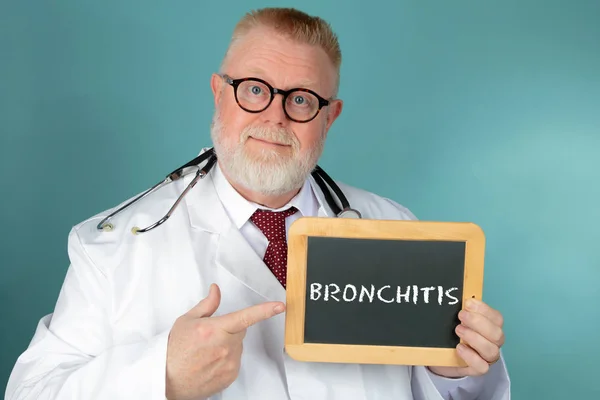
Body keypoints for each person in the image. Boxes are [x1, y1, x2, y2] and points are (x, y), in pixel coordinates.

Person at [5, 7, 510, 400]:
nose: (274, 117)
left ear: (328, 117)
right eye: (253, 90)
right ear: (219, 94)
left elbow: (459, 394)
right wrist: (161, 375)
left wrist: (453, 371)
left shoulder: (395, 229)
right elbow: (31, 392)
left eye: (300, 99)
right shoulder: (115, 248)